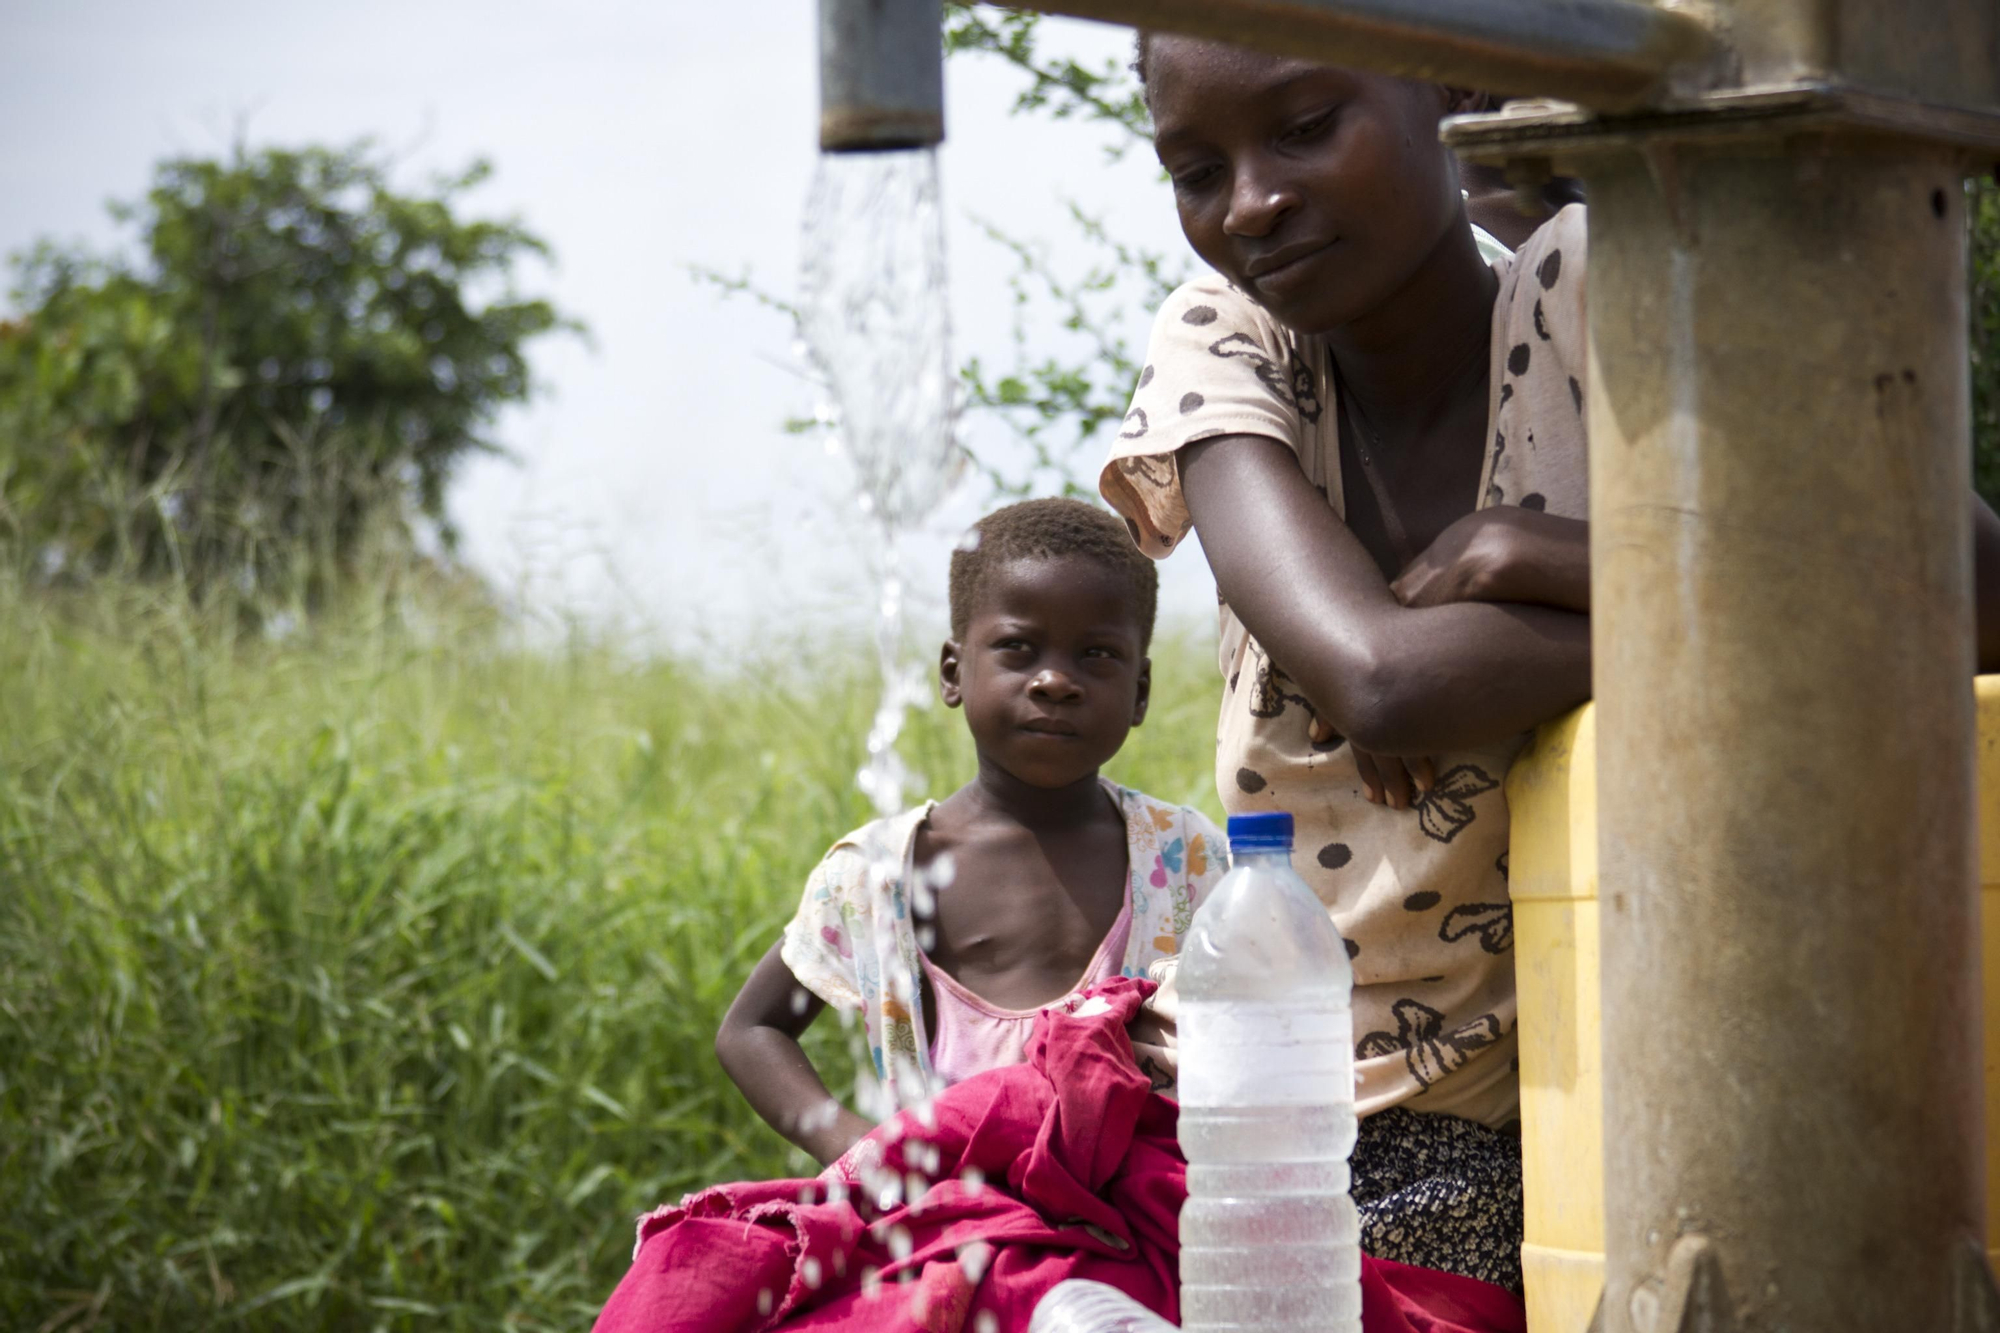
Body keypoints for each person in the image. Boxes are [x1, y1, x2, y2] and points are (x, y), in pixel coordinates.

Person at [1104, 32, 2000, 1296]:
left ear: (1455, 88)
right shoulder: (1233, 342)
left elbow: (1965, 587)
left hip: (1536, 1102)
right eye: (1196, 169)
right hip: (1264, 1095)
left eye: (1306, 127)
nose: (1249, 201)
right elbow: (1383, 681)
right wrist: (1690, 607)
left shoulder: (1593, 287)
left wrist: (1532, 551)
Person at [716, 497, 1224, 1168]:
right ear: (954, 672)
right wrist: (860, 1151)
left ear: (1141, 691)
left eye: (1096, 654)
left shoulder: (1184, 859)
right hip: (942, 1232)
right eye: (1018, 648)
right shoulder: (879, 875)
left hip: (1141, 1228)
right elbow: (751, 1030)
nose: (1054, 681)